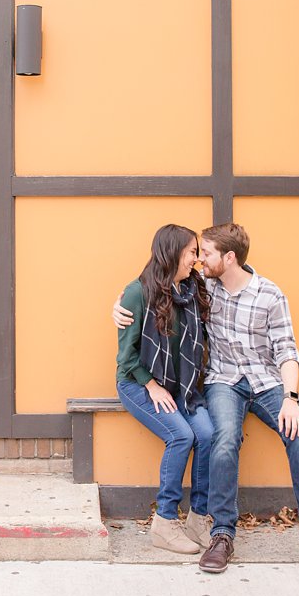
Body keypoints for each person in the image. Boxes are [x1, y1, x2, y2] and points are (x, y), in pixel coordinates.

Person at [113, 223, 299, 576]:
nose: (199, 260)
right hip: (223, 381)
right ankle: (221, 534)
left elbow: (287, 349)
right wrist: (116, 304)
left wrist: (291, 397)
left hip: (267, 382)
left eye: (205, 253)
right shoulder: (202, 285)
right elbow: (149, 291)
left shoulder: (266, 294)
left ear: (229, 257)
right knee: (222, 439)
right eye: (196, 253)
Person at [114, 224, 214, 555]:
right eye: (192, 252)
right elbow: (127, 359)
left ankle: (199, 517)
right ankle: (165, 521)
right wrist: (152, 385)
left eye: (198, 253)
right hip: (137, 382)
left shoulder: (191, 289)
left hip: (180, 387)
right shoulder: (137, 292)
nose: (197, 260)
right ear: (172, 252)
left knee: (207, 434)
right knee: (181, 436)